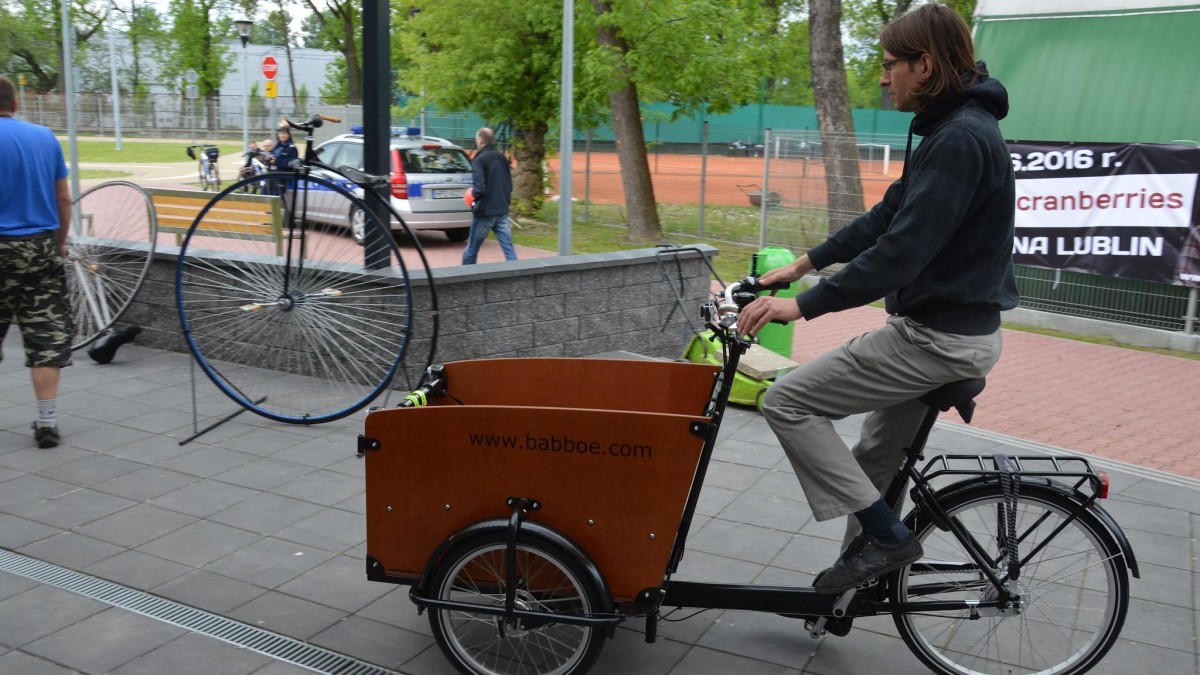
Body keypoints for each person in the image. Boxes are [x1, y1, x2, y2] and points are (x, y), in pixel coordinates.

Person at [740, 3, 1018, 601]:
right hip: (951, 332)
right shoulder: (950, 127)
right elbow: (889, 214)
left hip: (936, 340)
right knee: (873, 462)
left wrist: (804, 305)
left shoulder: (961, 138)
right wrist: (804, 263)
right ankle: (849, 589)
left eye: (891, 64)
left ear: (925, 64)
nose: (883, 76)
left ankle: (889, 539)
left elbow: (901, 252)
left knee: (787, 401)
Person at [0, 75, 74, 448]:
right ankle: (47, 423)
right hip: (41, 248)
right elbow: (64, 199)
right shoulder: (45, 138)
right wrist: (59, 243)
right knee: (45, 337)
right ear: (14, 103)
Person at [462, 127, 517, 265]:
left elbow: (479, 189)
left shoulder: (479, 160)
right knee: (508, 248)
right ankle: (517, 273)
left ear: (480, 140)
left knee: (471, 249)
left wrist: (472, 197)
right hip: (502, 210)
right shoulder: (502, 158)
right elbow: (509, 185)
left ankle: (464, 278)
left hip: (485, 211)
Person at [268, 128, 297, 198]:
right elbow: (271, 156)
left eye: (284, 133)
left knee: (277, 198)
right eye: (280, 133)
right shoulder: (277, 146)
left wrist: (276, 161)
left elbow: (291, 163)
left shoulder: (292, 148)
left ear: (289, 135)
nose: (282, 135)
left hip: (282, 177)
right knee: (266, 195)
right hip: (271, 175)